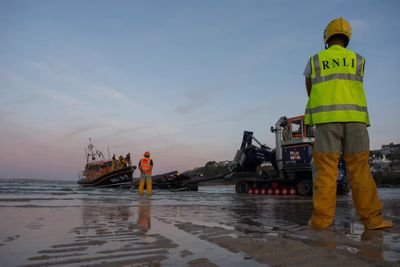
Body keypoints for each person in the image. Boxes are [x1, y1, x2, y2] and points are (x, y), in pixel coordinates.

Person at [304, 18, 393, 230]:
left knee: (325, 172)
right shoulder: (358, 60)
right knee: (360, 171)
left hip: (327, 123)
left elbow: (310, 87)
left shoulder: (315, 60)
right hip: (356, 122)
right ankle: (373, 220)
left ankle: (321, 222)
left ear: (327, 36)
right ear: (348, 37)